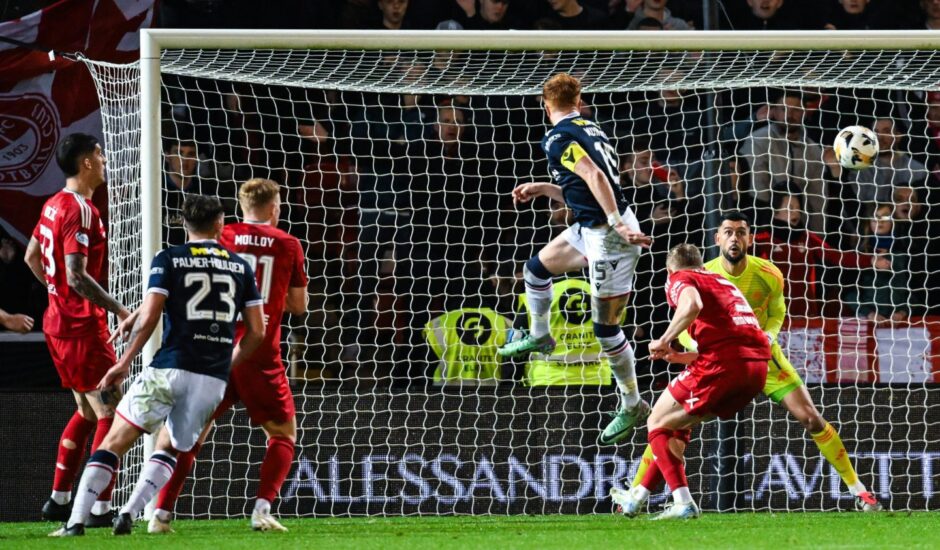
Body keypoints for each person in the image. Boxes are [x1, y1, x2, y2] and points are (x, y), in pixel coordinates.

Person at [621, 212, 884, 515]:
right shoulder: (704, 273)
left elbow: (776, 313)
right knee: (674, 424)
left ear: (749, 238)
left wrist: (769, 336)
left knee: (810, 417)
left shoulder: (767, 273)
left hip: (761, 354)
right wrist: (696, 350)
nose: (735, 238)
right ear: (717, 239)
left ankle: (859, 491)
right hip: (720, 357)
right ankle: (636, 496)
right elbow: (690, 330)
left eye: (741, 232)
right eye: (728, 232)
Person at [50, 195, 265, 536]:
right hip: (210, 379)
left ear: (184, 224)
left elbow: (149, 316)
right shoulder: (240, 266)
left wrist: (123, 362)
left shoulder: (169, 258)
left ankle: (75, 522)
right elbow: (257, 331)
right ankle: (130, 512)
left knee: (115, 442)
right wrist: (228, 363)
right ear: (220, 225)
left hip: (169, 366)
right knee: (170, 447)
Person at [496, 73, 652, 445]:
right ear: (579, 101)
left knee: (606, 329)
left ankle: (632, 403)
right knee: (535, 270)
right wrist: (544, 188)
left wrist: (618, 225)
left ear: (544, 104)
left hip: (610, 236)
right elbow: (583, 188)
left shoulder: (557, 136)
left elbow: (594, 176)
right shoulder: (591, 129)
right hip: (589, 225)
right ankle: (539, 335)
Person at [151, 179, 308, 533]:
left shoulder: (224, 236)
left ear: (240, 209)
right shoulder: (288, 244)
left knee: (186, 433)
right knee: (282, 433)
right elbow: (299, 307)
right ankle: (261, 510)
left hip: (214, 346)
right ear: (273, 208)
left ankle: (159, 513)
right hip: (260, 351)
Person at [610, 243, 770, 520]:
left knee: (656, 422)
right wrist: (683, 357)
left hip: (723, 366)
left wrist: (664, 339)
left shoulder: (681, 278)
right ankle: (636, 498)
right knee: (676, 425)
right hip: (755, 369)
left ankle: (683, 502)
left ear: (670, 269)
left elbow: (691, 305)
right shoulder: (720, 280)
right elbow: (734, 336)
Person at [23, 134, 131, 526]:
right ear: (86, 163)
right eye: (99, 154)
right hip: (82, 328)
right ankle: (99, 507)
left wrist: (56, 295)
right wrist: (119, 309)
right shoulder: (82, 211)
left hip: (58, 324)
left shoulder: (52, 204)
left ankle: (59, 497)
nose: (103, 160)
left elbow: (31, 255)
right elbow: (76, 273)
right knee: (111, 411)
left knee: (86, 409)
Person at [753, 187, 873, 319]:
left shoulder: (807, 238)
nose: (796, 212)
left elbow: (837, 256)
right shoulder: (760, 240)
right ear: (775, 212)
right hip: (773, 315)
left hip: (806, 313)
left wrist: (871, 261)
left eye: (798, 208)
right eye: (790, 208)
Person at [737, 90, 830, 235]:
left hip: (800, 229)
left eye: (796, 110)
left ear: (804, 113)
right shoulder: (758, 141)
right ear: (773, 110)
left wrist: (818, 240)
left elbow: (817, 202)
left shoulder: (813, 150)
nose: (789, 115)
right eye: (783, 109)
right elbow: (758, 194)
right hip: (765, 227)